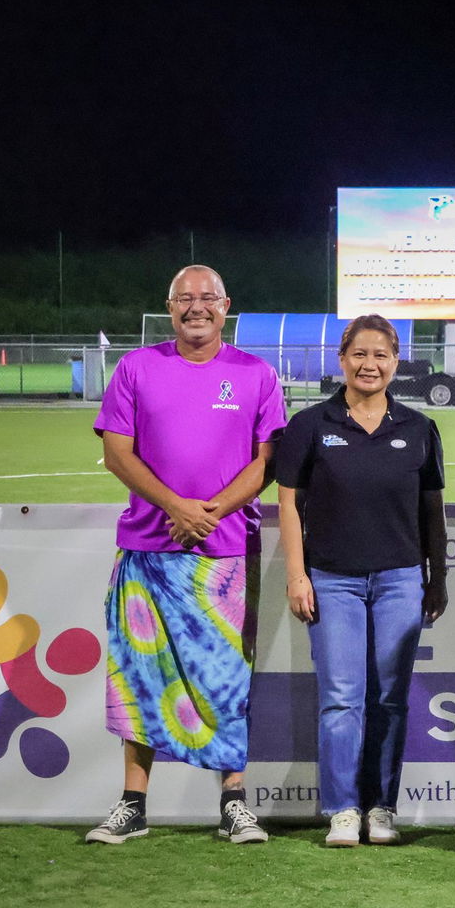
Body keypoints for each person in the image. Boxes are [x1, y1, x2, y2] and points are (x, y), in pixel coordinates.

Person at [85, 264, 286, 844]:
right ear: (169, 307)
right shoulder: (136, 367)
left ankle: (233, 802)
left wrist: (211, 511)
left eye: (207, 298)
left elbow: (267, 460)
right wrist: (175, 507)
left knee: (224, 675)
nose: (195, 307)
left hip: (224, 551)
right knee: (140, 673)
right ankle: (132, 804)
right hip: (147, 547)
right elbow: (119, 454)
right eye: (184, 299)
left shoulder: (255, 374)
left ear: (226, 306)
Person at [276, 315, 448, 848]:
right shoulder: (310, 424)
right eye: (359, 354)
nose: (369, 364)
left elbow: (432, 512)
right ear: (342, 359)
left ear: (396, 363)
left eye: (380, 355)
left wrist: (435, 578)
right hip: (331, 580)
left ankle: (382, 808)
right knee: (342, 698)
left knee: (391, 698)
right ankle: (343, 810)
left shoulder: (418, 428)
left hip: (400, 579)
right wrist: (298, 575)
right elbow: (288, 503)